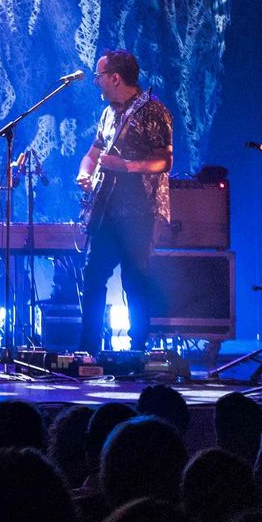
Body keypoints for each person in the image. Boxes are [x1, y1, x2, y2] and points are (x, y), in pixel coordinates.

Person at [75, 49, 173, 354]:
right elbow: (93, 153)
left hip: (141, 211)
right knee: (93, 277)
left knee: (135, 278)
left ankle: (137, 350)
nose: (96, 82)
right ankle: (88, 349)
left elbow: (165, 161)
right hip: (107, 210)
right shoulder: (108, 114)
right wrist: (84, 173)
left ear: (115, 78)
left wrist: (126, 166)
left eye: (99, 76)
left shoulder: (153, 111)